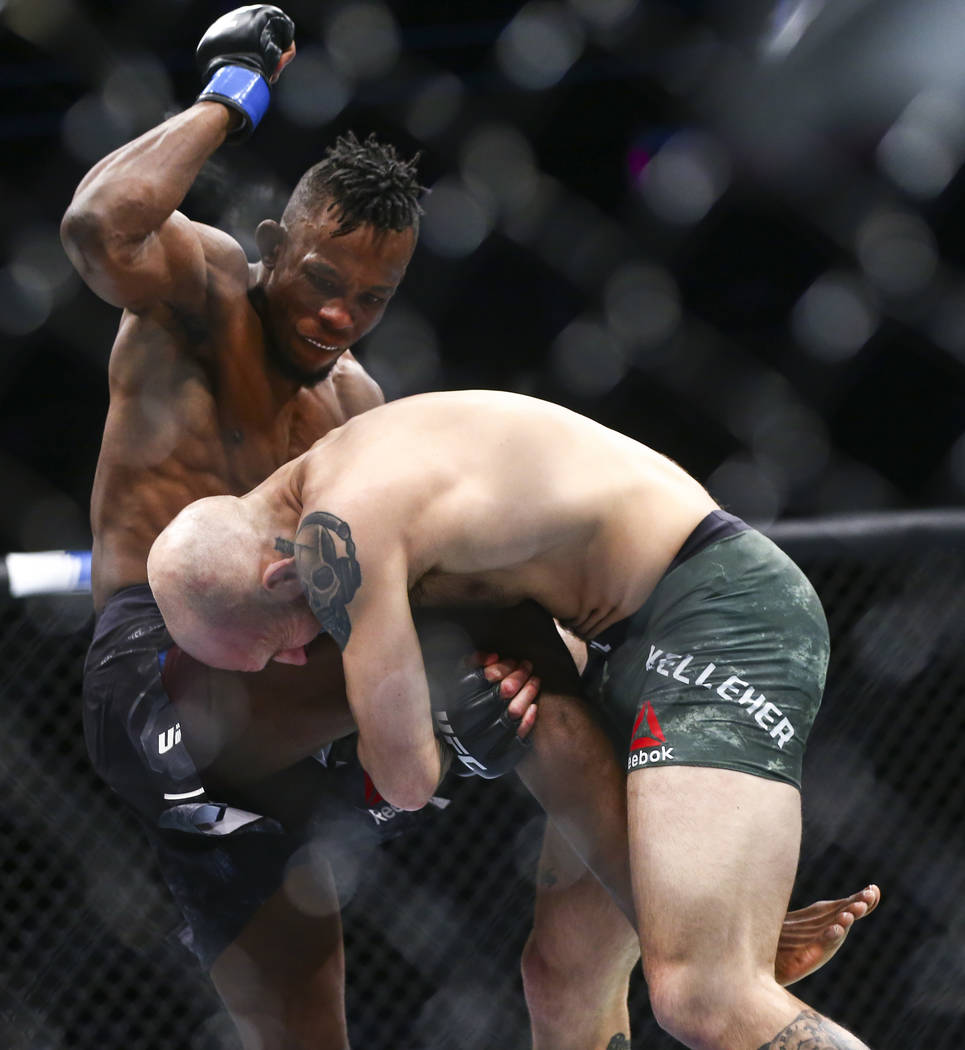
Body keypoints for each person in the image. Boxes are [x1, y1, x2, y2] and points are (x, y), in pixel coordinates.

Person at [62, 6, 877, 1048]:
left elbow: (426, 614)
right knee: (488, 668)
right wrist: (233, 90)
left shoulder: (360, 421)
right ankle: (710, 940)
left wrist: (480, 713)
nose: (337, 316)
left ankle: (702, 938)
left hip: (337, 672)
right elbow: (97, 227)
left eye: (372, 298)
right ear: (275, 247)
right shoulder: (207, 290)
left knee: (512, 674)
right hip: (169, 650)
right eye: (320, 281)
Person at [148, 388, 879, 1050]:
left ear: (279, 577)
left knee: (703, 997)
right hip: (623, 647)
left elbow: (404, 779)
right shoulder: (361, 479)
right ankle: (723, 932)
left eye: (275, 645)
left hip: (713, 614)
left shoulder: (336, 534)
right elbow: (535, 680)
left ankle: (724, 951)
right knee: (562, 980)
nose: (293, 662)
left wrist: (430, 741)